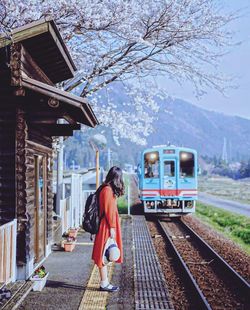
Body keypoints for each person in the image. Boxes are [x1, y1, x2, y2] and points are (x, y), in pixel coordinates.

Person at [92, 166, 124, 292]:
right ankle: (104, 283)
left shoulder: (106, 189)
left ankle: (104, 282)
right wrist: (112, 227)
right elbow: (109, 211)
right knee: (105, 254)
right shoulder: (107, 191)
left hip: (106, 225)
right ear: (117, 178)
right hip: (106, 226)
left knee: (105, 253)